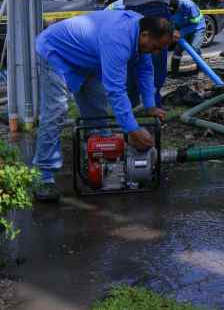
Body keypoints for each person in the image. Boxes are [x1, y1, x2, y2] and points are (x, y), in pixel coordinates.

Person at [31, 11, 173, 202]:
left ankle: (100, 163)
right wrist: (132, 130)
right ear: (145, 35)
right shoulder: (118, 38)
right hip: (57, 52)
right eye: (155, 47)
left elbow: (145, 69)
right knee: (56, 112)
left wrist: (150, 105)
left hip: (89, 59)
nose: (155, 52)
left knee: (97, 114)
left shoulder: (144, 28)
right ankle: (44, 177)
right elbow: (116, 90)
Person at [169, 0, 206, 76]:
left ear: (178, 7)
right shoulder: (170, 9)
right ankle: (174, 73)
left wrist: (181, 32)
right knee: (177, 50)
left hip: (197, 28)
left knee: (195, 48)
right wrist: (174, 31)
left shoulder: (189, 5)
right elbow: (172, 22)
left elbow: (195, 22)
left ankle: (200, 70)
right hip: (183, 29)